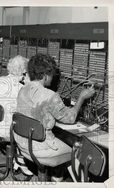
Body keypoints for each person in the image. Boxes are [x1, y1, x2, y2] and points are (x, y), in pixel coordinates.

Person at [14, 53, 95, 181]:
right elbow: (71, 118)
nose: (53, 78)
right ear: (45, 76)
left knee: (61, 138)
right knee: (79, 148)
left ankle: (57, 177)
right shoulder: (49, 95)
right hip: (39, 148)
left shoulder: (23, 89)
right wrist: (82, 98)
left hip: (22, 144)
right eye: (52, 75)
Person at [0, 55, 32, 175]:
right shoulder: (20, 87)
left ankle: (18, 159)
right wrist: (29, 83)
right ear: (24, 71)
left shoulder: (1, 80)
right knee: (29, 129)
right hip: (5, 130)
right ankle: (21, 160)